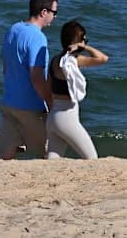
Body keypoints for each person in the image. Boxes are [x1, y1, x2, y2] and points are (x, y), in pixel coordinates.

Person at [0, 0, 58, 159]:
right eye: (54, 12)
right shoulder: (37, 37)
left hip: (9, 102)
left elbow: (6, 67)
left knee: (4, 156)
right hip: (30, 107)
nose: (54, 17)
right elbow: (37, 77)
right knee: (49, 151)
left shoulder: (13, 30)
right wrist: (50, 102)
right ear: (44, 12)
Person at [46, 20, 109, 159]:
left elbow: (48, 88)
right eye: (84, 39)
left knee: (52, 163)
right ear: (78, 41)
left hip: (53, 117)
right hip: (67, 117)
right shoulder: (74, 61)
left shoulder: (55, 61)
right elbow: (103, 58)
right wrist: (84, 47)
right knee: (92, 158)